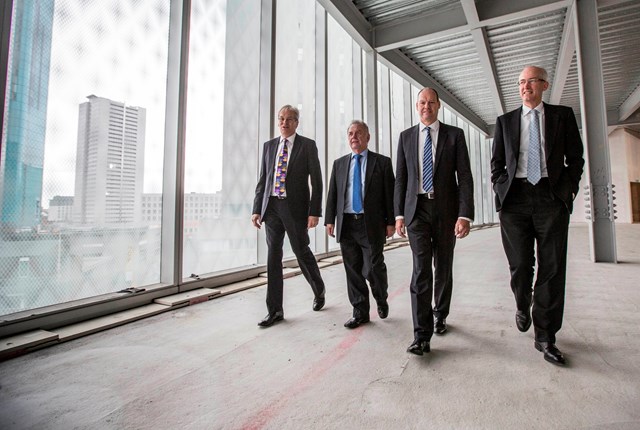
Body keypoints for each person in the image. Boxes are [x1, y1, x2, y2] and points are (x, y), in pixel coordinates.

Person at [491, 65, 584, 366]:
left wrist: (567, 190)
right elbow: (496, 165)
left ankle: (545, 336)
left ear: (544, 84)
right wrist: (500, 189)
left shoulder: (562, 116)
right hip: (515, 199)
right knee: (520, 264)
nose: (525, 86)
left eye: (531, 81)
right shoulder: (505, 122)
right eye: (520, 82)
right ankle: (522, 303)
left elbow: (576, 158)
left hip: (550, 197)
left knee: (552, 267)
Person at [395, 87, 474, 355]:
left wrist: (464, 214)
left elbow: (464, 176)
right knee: (420, 270)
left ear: (438, 105)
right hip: (416, 211)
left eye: (430, 102)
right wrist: (399, 215)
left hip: (446, 211)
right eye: (421, 102)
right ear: (416, 106)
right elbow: (401, 180)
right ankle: (421, 336)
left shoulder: (455, 135)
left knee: (443, 266)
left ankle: (440, 313)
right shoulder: (406, 137)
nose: (426, 106)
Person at [251, 105, 326, 327]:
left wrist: (314, 212)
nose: (284, 123)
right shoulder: (268, 146)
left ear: (296, 123)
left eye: (289, 119)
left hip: (295, 209)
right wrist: (257, 208)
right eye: (281, 119)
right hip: (272, 207)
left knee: (301, 251)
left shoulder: (307, 146)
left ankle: (318, 289)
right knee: (273, 256)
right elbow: (263, 180)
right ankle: (275, 311)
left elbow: (317, 182)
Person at [325, 120, 395, 329]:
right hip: (347, 223)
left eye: (358, 133)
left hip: (370, 224)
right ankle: (360, 312)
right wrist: (330, 219)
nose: (353, 137)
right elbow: (333, 194)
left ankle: (381, 297)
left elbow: (389, 195)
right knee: (353, 270)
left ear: (367, 137)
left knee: (373, 267)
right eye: (350, 133)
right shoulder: (339, 164)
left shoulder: (382, 163)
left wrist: (390, 222)